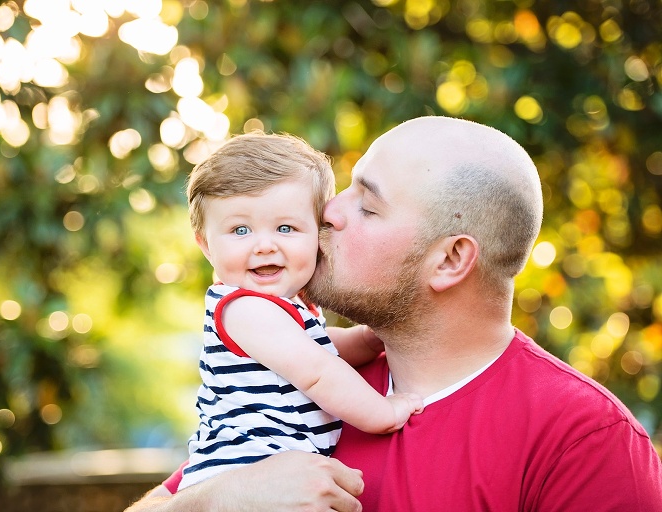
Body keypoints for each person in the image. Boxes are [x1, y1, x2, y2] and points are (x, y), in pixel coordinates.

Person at [126, 116, 662, 511]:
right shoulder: (308, 374)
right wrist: (221, 500)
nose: (327, 213)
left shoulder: (584, 439)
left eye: (366, 205)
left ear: (449, 260)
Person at [178, 132, 423, 490]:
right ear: (205, 245)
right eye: (240, 230)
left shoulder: (281, 310)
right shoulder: (245, 308)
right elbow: (317, 372)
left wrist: (365, 340)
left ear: (318, 236)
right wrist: (383, 412)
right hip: (245, 470)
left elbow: (316, 346)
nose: (264, 245)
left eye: (286, 228)